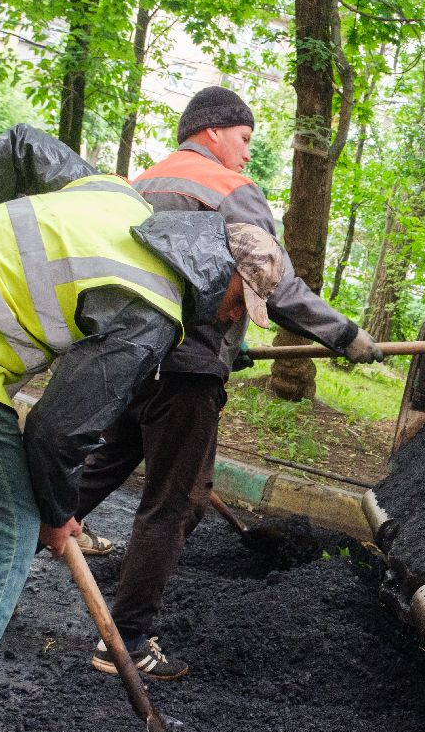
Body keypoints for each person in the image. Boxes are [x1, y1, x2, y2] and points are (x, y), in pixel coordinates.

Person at [0, 153, 286, 732]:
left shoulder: (119, 199)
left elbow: (24, 143)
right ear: (218, 273)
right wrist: (54, 515)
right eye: (241, 303)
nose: (234, 319)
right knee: (1, 538)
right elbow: (57, 431)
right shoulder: (149, 309)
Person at [64, 87, 383, 682]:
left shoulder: (145, 182)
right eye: (243, 140)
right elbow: (272, 283)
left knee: (96, 471)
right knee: (175, 500)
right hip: (185, 373)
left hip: (132, 357)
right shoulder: (232, 191)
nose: (245, 155)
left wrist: (229, 347)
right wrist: (346, 336)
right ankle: (126, 640)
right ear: (214, 131)